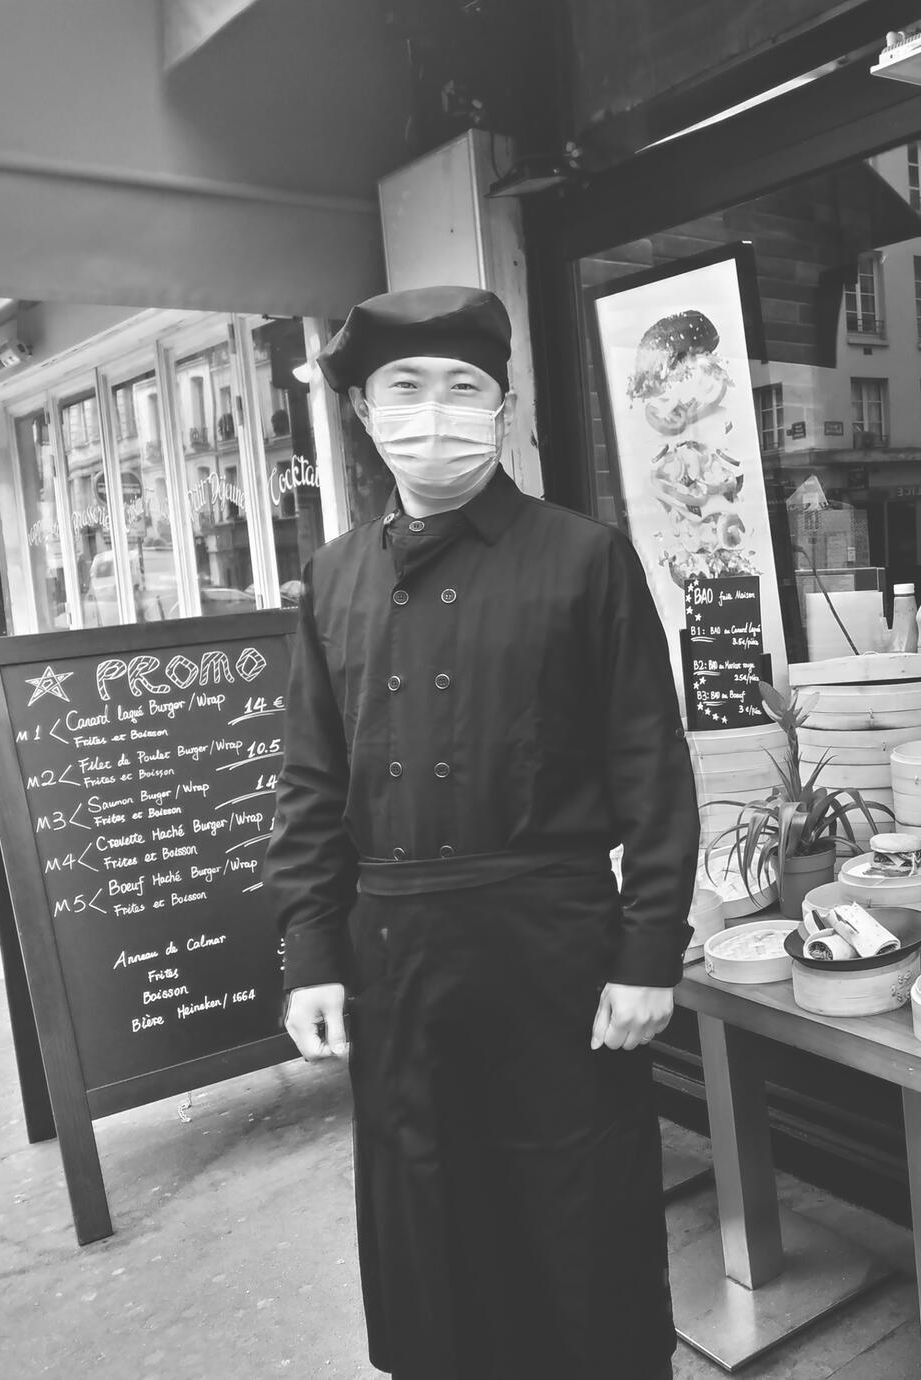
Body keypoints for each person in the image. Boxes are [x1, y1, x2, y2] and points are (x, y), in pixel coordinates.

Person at [263, 285, 699, 1379]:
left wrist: (649, 954)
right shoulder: (331, 579)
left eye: (465, 388)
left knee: (575, 1214)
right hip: (394, 960)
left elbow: (652, 770)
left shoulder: (584, 559)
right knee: (425, 1211)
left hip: (553, 950)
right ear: (365, 412)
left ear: (501, 410)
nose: (436, 411)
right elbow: (311, 783)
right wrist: (311, 952)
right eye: (406, 388)